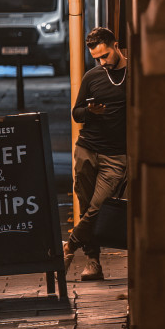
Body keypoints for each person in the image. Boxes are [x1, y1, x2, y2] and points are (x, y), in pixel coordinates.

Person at [64, 26, 128, 281]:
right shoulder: (93, 77)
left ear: (115, 45)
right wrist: (91, 112)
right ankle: (93, 263)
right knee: (86, 203)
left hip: (116, 155)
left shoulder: (135, 73)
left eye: (105, 56)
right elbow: (76, 112)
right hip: (87, 149)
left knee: (98, 206)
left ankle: (69, 247)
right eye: (97, 59)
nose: (102, 62)